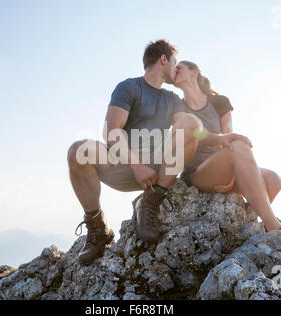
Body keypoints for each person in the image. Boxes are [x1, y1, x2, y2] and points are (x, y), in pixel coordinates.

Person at [67, 40, 250, 265]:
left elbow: (194, 132)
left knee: (190, 121)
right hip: (125, 164)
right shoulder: (129, 87)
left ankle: (151, 203)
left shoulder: (172, 100)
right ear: (164, 59)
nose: (176, 68)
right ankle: (97, 229)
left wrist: (221, 139)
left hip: (159, 170)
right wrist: (136, 165)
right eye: (174, 62)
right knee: (78, 151)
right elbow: (112, 132)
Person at [174, 60, 281, 267]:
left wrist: (233, 175)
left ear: (194, 72)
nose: (174, 71)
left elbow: (228, 137)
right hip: (198, 172)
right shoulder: (176, 106)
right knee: (239, 145)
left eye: (179, 67)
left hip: (224, 166)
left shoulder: (220, 103)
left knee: (273, 180)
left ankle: (250, 226)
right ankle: (276, 230)